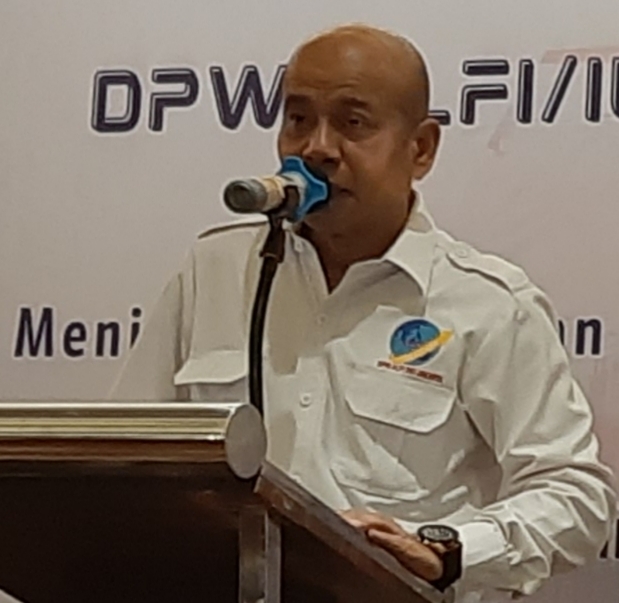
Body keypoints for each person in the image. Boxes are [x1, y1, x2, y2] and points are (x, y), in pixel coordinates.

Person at [110, 23, 616, 601]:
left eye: (352, 123)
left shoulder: (489, 303)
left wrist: (448, 549)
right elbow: (125, 454)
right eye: (298, 119)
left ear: (421, 148)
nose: (317, 148)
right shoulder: (216, 269)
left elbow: (577, 496)